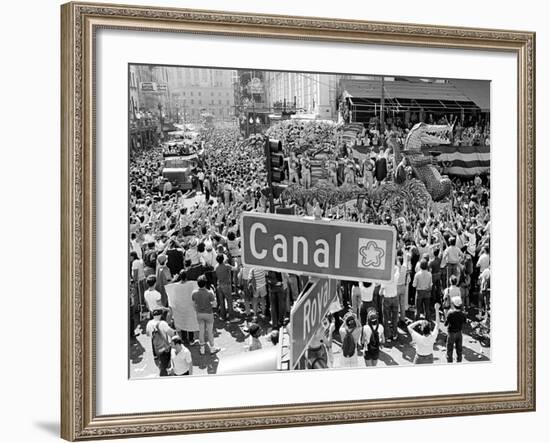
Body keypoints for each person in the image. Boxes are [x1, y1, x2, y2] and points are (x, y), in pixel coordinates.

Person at [165, 270, 199, 344]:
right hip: (189, 307)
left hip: (179, 307)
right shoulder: (191, 284)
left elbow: (169, 290)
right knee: (190, 322)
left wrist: (174, 279)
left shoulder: (175, 286)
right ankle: (191, 339)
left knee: (182, 322)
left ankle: (184, 338)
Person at [191, 275, 219, 355]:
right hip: (209, 314)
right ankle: (212, 349)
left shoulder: (194, 293)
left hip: (199, 314)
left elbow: (193, 304)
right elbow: (215, 305)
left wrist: (197, 310)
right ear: (205, 283)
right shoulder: (209, 293)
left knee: (201, 332)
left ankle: (202, 349)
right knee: (210, 332)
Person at [146, 309, 175, 376]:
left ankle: (165, 371)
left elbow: (147, 334)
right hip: (165, 348)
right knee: (165, 365)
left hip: (157, 347)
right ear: (160, 315)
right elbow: (172, 333)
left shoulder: (149, 323)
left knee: (162, 362)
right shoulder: (162, 323)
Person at [214, 254, 238, 321]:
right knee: (229, 301)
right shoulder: (226, 266)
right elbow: (235, 269)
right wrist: (236, 262)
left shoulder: (216, 267)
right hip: (226, 285)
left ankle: (223, 316)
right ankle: (231, 317)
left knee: (222, 302)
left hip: (219, 285)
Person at [445, 296, 467, 363]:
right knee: (459, 350)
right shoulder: (463, 314)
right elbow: (465, 322)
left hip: (451, 333)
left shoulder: (450, 313)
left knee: (449, 350)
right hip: (459, 333)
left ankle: (449, 362)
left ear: (453, 304)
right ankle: (459, 362)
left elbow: (445, 324)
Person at [381, 266, 399, 341]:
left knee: (386, 318)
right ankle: (394, 334)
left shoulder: (384, 279)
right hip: (394, 298)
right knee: (394, 318)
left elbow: (380, 293)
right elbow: (398, 269)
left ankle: (387, 336)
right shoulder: (395, 277)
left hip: (387, 299)